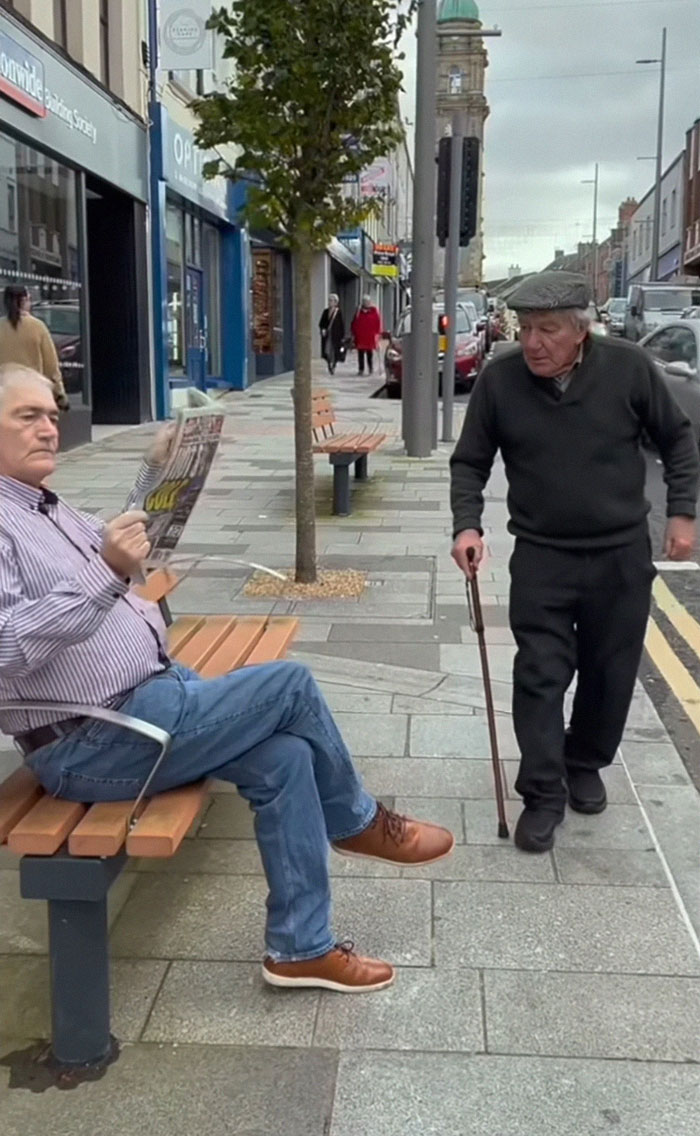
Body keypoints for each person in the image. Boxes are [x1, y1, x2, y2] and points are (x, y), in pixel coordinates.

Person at [0, 365, 454, 993]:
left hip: (152, 701)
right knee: (290, 685)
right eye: (29, 417)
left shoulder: (43, 504)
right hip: (94, 740)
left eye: (52, 414)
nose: (50, 428)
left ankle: (300, 949)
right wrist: (107, 573)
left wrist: (158, 475)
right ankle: (357, 823)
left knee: (288, 756)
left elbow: (113, 546)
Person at [450, 271, 699, 854]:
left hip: (620, 552)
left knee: (610, 672)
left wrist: (682, 513)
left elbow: (678, 440)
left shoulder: (629, 367)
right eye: (526, 328)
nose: (533, 342)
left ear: (581, 331)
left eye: (549, 330)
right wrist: (467, 525)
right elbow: (470, 462)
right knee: (539, 672)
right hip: (542, 555)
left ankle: (584, 760)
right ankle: (542, 792)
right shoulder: (501, 379)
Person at [0, 284, 68, 409]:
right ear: (24, 301)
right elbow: (51, 366)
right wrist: (60, 394)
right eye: (29, 299)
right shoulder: (38, 327)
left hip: (5, 395)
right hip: (33, 393)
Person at [351, 294, 381, 375]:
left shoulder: (374, 311)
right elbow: (354, 323)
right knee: (360, 354)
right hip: (360, 336)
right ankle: (361, 369)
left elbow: (378, 322)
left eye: (367, 301)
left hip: (370, 336)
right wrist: (353, 333)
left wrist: (378, 334)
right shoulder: (358, 311)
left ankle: (370, 368)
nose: (366, 303)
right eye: (364, 301)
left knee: (369, 353)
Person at [319, 293, 345, 375]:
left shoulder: (338, 312)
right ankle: (329, 363)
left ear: (336, 302)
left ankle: (333, 364)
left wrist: (342, 336)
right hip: (327, 335)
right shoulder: (325, 311)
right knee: (327, 350)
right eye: (329, 300)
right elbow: (321, 323)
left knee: (334, 350)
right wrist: (322, 329)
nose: (330, 302)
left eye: (332, 301)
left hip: (336, 336)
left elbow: (341, 325)